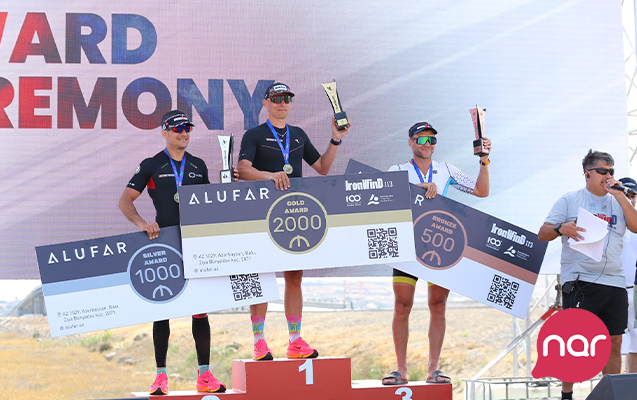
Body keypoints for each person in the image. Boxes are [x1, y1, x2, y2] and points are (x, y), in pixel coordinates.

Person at [237, 82, 350, 360]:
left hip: (292, 214)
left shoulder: (297, 134)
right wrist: (270, 175)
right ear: (265, 103)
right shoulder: (254, 135)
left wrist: (335, 139)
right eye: (276, 99)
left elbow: (322, 167)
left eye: (286, 99)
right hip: (261, 214)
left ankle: (295, 340)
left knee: (294, 277)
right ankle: (259, 341)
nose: (282, 103)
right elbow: (243, 169)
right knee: (262, 276)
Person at [118, 110, 226, 395]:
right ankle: (160, 377)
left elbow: (210, 203)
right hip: (164, 243)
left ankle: (204, 375)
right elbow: (125, 201)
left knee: (200, 311)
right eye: (178, 129)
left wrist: (228, 188)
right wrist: (143, 224)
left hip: (194, 244)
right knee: (163, 310)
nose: (184, 133)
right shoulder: (152, 164)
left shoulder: (198, 165)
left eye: (187, 128)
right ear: (164, 132)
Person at [382, 122, 491, 385]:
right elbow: (386, 198)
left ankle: (433, 370)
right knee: (402, 305)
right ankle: (401, 370)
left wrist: (484, 161)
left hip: (438, 244)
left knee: (438, 305)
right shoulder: (397, 170)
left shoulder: (446, 169)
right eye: (421, 140)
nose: (427, 144)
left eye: (431, 140)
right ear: (410, 142)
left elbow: (482, 191)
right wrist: (418, 189)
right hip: (408, 245)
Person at [538, 150, 637, 400]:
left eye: (611, 171)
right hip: (580, 280)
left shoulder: (619, 200)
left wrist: (621, 196)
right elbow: (543, 233)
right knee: (575, 342)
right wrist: (562, 228)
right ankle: (567, 395)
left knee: (614, 343)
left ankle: (610, 395)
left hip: (614, 282)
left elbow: (636, 226)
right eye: (603, 171)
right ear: (587, 174)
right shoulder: (571, 199)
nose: (608, 175)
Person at [619, 177, 637, 373]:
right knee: (611, 344)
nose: (630, 199)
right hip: (612, 290)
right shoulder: (607, 223)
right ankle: (611, 386)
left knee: (636, 347)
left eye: (633, 195)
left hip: (636, 291)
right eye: (626, 195)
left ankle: (633, 386)